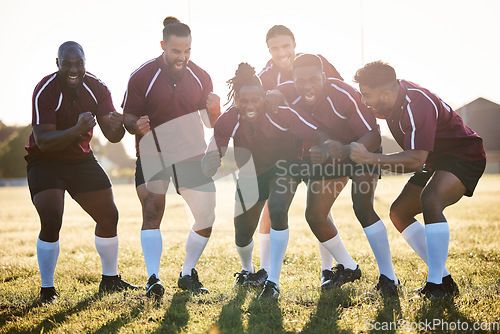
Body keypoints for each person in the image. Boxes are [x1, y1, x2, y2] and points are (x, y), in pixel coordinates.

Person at [351, 61, 486, 298]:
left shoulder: (416, 104)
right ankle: (444, 280)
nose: (364, 101)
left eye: (366, 95)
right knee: (399, 212)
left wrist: (369, 158)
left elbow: (414, 160)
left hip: (464, 155)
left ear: (385, 93)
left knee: (431, 199)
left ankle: (435, 286)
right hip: (436, 160)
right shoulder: (390, 100)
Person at [267, 54, 399, 295]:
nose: (307, 86)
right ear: (293, 80)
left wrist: (349, 150)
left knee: (362, 207)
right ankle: (349, 266)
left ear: (324, 77)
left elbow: (373, 135)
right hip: (329, 155)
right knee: (315, 215)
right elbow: (274, 92)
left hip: (361, 148)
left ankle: (389, 277)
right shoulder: (288, 90)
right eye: (300, 81)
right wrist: (273, 93)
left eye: (314, 80)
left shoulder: (344, 94)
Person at [202, 63, 329, 299]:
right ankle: (247, 271)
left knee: (278, 209)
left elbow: (316, 133)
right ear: (237, 100)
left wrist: (326, 149)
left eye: (255, 100)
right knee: (242, 234)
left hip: (286, 167)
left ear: (264, 97)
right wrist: (210, 160)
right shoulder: (230, 117)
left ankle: (273, 281)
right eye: (244, 101)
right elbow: (216, 143)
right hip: (251, 174)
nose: (250, 105)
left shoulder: (280, 111)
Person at [25, 41, 138, 304]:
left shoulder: (97, 88)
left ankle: (110, 280)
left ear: (85, 63)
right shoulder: (45, 89)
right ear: (58, 64)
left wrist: (119, 125)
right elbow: (44, 141)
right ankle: (47, 289)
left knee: (109, 216)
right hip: (46, 161)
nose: (74, 69)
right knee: (52, 220)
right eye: (67, 64)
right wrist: (77, 130)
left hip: (80, 160)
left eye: (79, 64)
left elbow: (112, 136)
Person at [122, 17, 221, 299]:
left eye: (187, 50)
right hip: (154, 153)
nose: (183, 57)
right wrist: (134, 125)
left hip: (191, 153)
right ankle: (153, 278)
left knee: (206, 215)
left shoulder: (201, 76)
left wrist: (215, 110)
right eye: (177, 51)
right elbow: (128, 116)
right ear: (164, 46)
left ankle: (187, 273)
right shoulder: (142, 76)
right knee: (153, 208)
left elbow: (212, 123)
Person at [257, 25, 344, 285]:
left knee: (321, 209)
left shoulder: (316, 64)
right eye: (275, 48)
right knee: (271, 209)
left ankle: (327, 270)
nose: (281, 52)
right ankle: (264, 270)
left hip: (318, 148)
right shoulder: (265, 77)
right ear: (269, 50)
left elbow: (339, 95)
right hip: (287, 152)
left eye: (285, 46)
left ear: (294, 44)